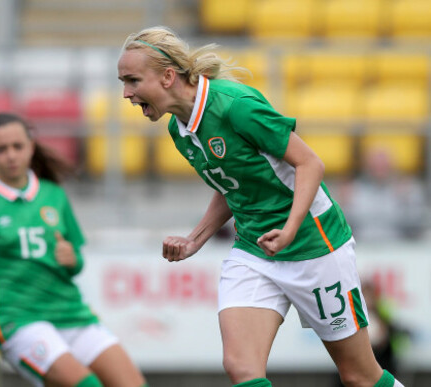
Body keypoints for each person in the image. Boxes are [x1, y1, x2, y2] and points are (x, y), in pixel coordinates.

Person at [117, 26, 404, 387]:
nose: (126, 93)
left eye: (132, 80)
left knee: (360, 376)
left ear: (168, 77)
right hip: (254, 248)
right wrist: (196, 240)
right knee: (241, 367)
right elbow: (231, 186)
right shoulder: (179, 128)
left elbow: (310, 164)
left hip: (315, 245)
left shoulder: (236, 106)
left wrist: (290, 229)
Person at [0, 112, 146, 387]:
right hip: (19, 322)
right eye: (1, 149)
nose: (11, 155)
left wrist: (72, 259)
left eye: (17, 146)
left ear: (31, 146)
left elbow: (77, 263)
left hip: (71, 313)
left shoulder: (53, 194)